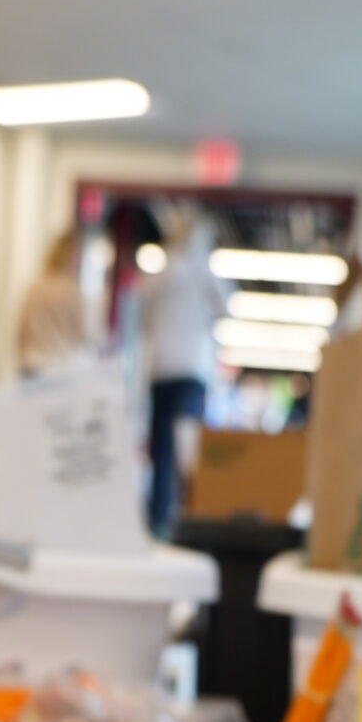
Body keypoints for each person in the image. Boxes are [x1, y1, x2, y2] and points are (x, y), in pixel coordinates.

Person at [139, 215, 228, 537]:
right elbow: (226, 307)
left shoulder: (159, 273)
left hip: (160, 368)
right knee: (186, 448)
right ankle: (187, 515)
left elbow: (142, 319)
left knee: (162, 449)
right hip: (191, 369)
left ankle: (159, 518)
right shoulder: (203, 270)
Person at [16, 229, 90, 377]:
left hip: (32, 365)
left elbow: (21, 332)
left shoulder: (34, 287)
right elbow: (82, 333)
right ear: (72, 257)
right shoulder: (72, 291)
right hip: (60, 368)